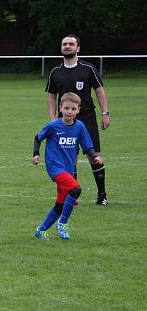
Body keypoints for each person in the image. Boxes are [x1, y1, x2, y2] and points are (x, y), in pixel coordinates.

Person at [45, 34, 110, 206]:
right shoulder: (55, 72)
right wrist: (53, 120)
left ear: (78, 48)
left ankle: (102, 195)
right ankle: (71, 196)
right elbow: (51, 96)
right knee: (68, 158)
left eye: (71, 44)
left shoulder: (88, 68)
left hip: (87, 120)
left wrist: (105, 113)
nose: (67, 46)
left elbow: (100, 91)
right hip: (64, 123)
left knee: (94, 156)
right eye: (64, 44)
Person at [32, 92, 103, 240]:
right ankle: (63, 223)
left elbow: (87, 146)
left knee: (60, 203)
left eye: (73, 109)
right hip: (55, 167)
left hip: (69, 168)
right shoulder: (53, 125)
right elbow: (38, 137)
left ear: (78, 110)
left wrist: (94, 156)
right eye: (66, 108)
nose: (69, 111)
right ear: (60, 108)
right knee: (76, 189)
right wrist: (36, 154)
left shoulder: (80, 127)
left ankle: (41, 230)